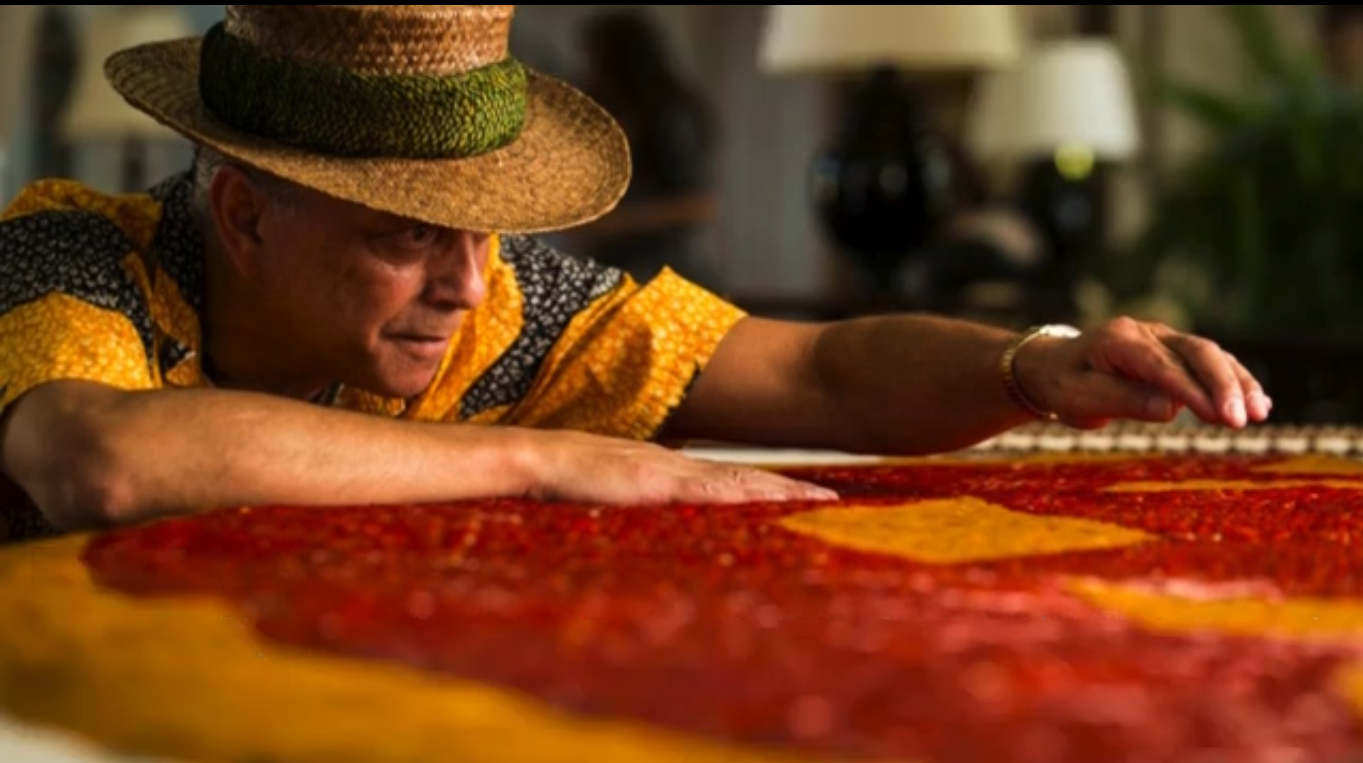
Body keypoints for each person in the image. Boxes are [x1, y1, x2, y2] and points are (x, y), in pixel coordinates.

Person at [0, 5, 1269, 544]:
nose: (464, 280)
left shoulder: (506, 308)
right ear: (244, 215)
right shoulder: (67, 251)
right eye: (405, 230)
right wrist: (546, 456)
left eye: (482, 225)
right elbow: (106, 458)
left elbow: (822, 371)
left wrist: (1034, 364)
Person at [560, 9, 724, 291]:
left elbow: (699, 205)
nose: (590, 71)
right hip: (607, 272)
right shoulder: (604, 114)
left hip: (665, 274)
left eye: (599, 61)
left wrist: (613, 223)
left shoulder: (672, 115)